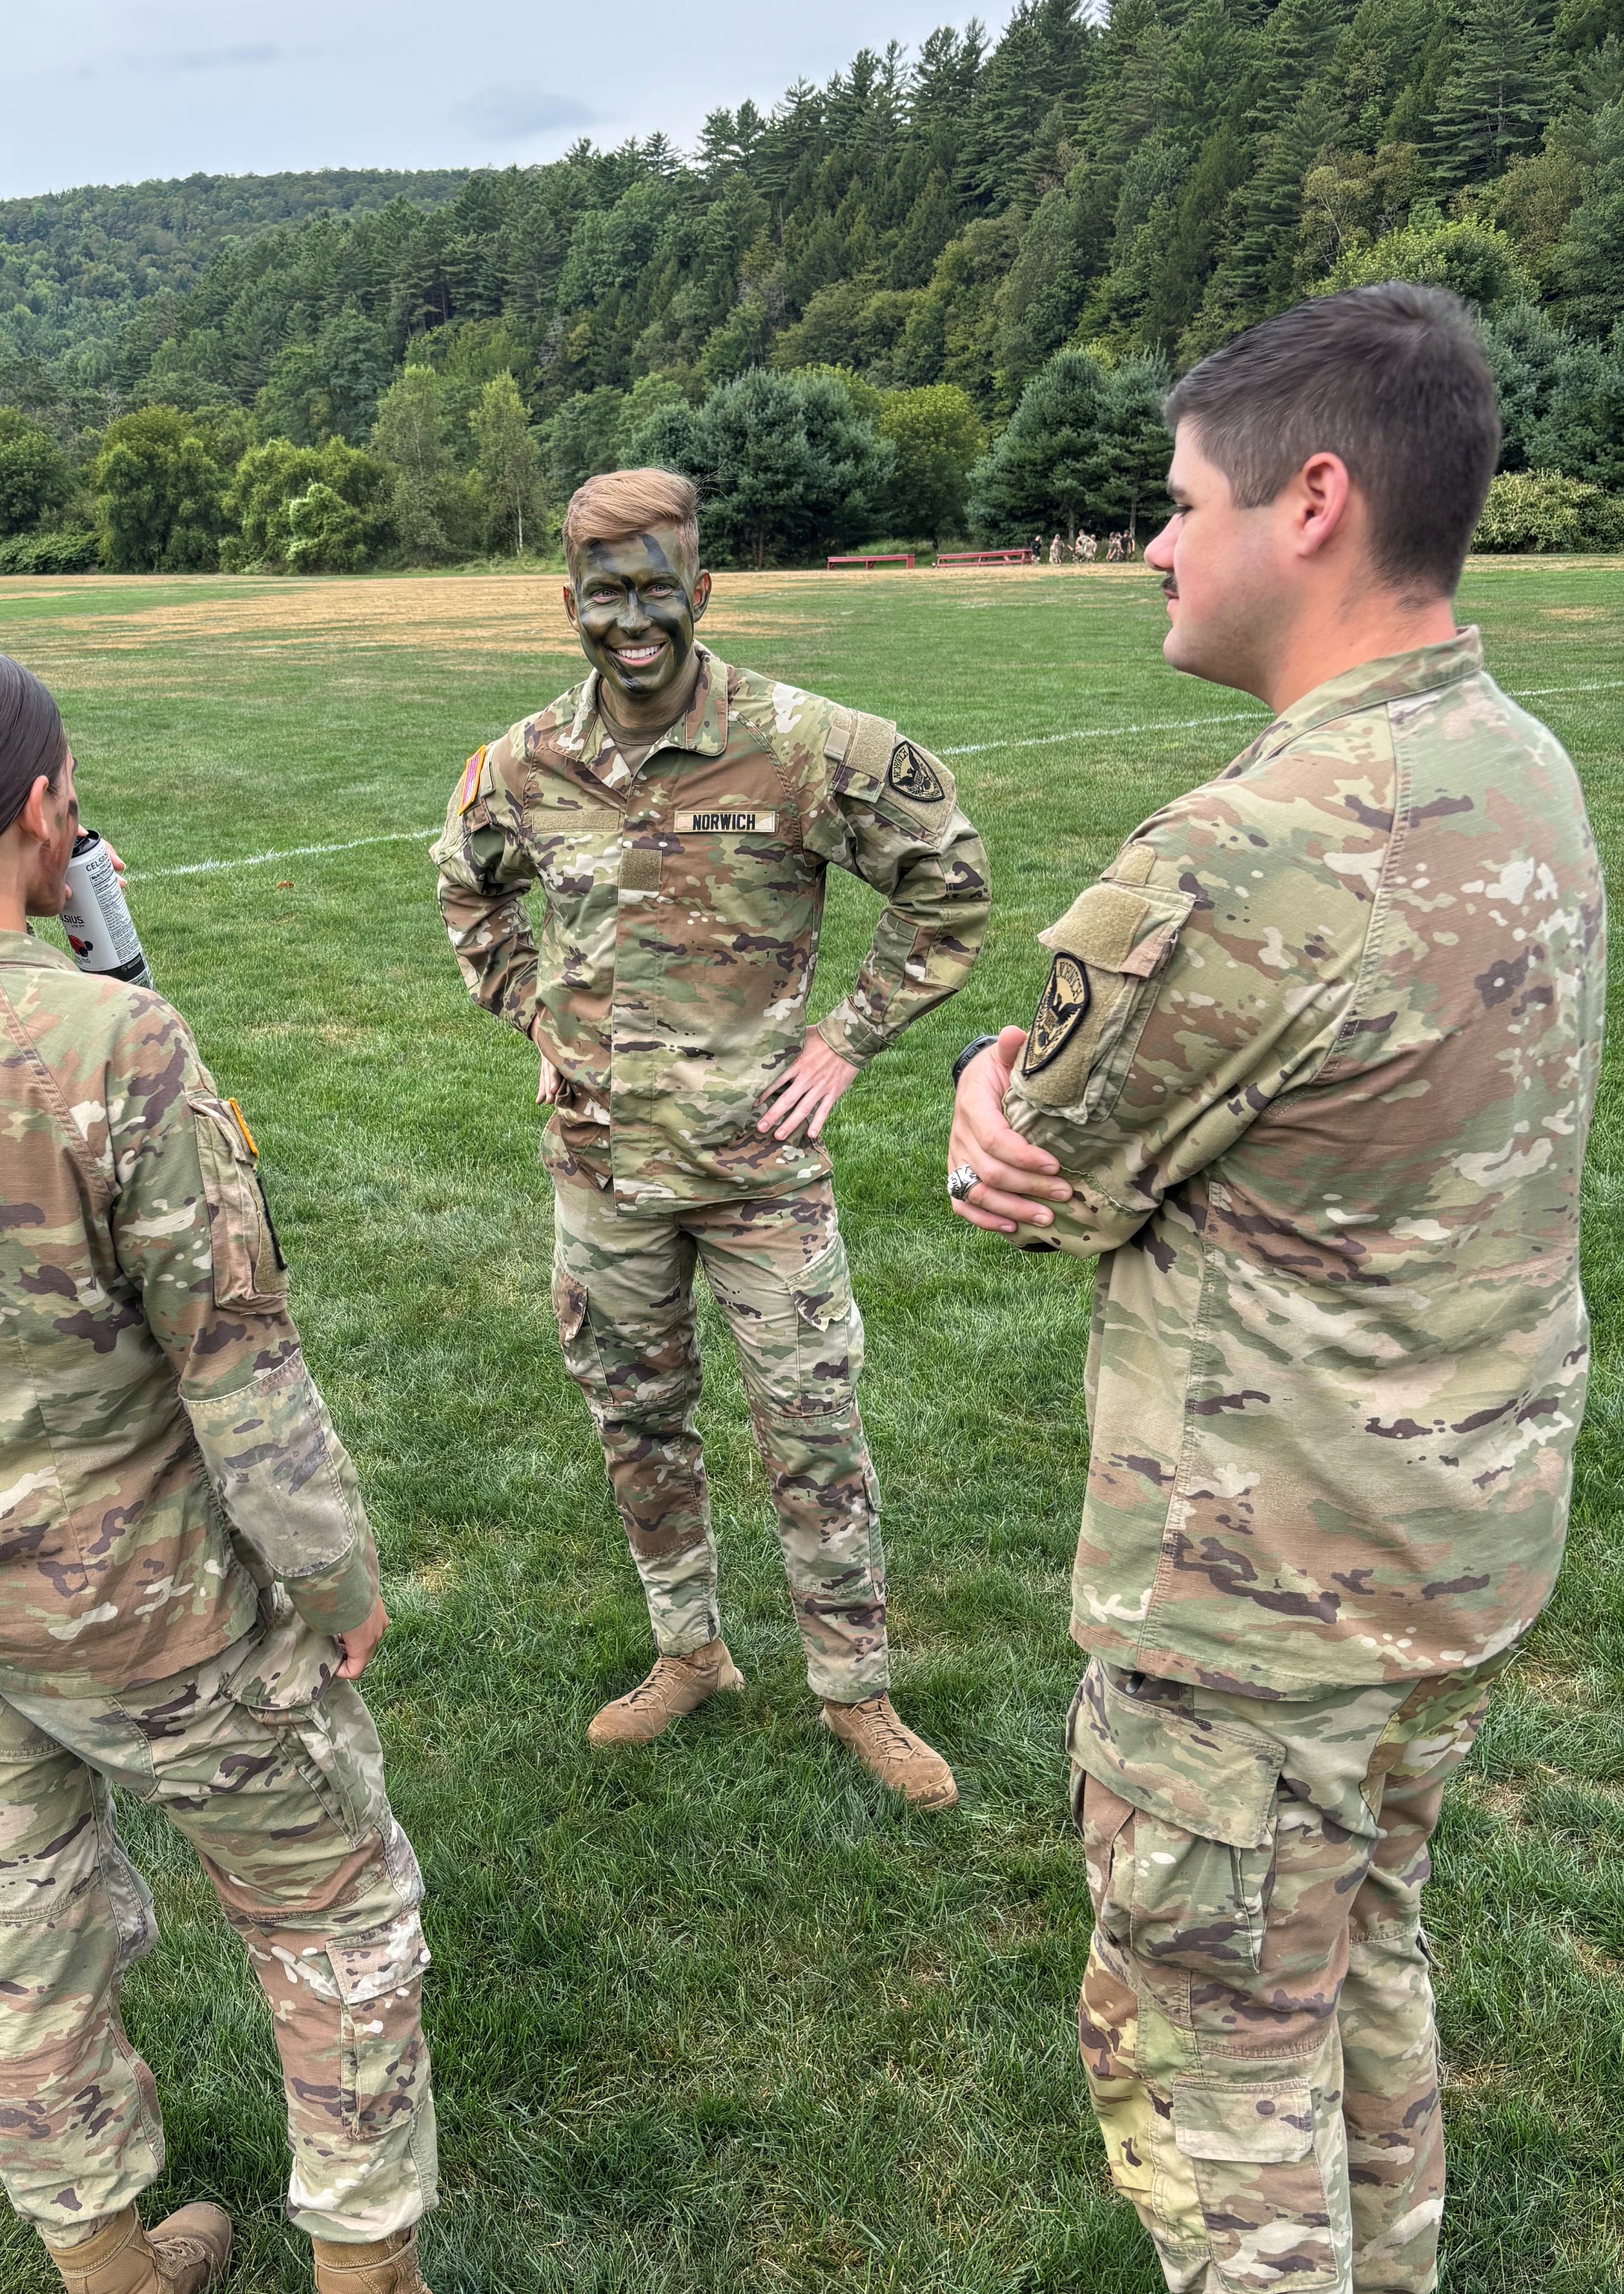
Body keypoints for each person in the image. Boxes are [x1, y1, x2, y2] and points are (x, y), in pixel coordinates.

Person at [943, 284, 1604, 2294]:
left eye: (1176, 501)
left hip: (1264, 1598)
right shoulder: (1517, 757)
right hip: (1455, 1544)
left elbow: (1037, 1164)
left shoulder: (1251, 852)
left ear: (1309, 501)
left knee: (1215, 2060)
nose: (1153, 542)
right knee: (1363, 1958)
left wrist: (980, 1073)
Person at [0, 637, 438, 2294]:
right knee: (335, 1913)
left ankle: (109, 2269)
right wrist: (335, 1580)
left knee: (30, 1926)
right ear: (48, 812)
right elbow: (241, 1363)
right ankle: (367, 2274)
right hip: (143, 1604)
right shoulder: (116, 1046)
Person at [433, 467, 991, 1804]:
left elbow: (949, 884)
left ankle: (856, 1690)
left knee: (811, 1423)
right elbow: (468, 892)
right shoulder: (523, 766)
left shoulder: (805, 745)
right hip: (603, 1174)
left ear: (702, 587)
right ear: (567, 598)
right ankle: (689, 1652)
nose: (634, 617)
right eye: (605, 590)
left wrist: (845, 1039)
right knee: (637, 1420)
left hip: (761, 1173)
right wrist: (544, 1025)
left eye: (657, 586)